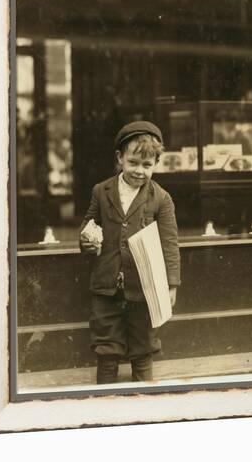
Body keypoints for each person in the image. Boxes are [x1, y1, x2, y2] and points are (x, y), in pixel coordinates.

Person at [80, 121, 181, 384]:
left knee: (143, 346)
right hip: (106, 285)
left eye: (147, 166)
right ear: (120, 159)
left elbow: (170, 243)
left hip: (144, 286)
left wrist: (171, 285)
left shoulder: (161, 198)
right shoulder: (101, 192)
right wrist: (87, 241)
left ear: (156, 164)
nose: (139, 171)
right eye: (133, 162)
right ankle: (105, 401)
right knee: (106, 347)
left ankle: (143, 398)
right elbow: (90, 224)